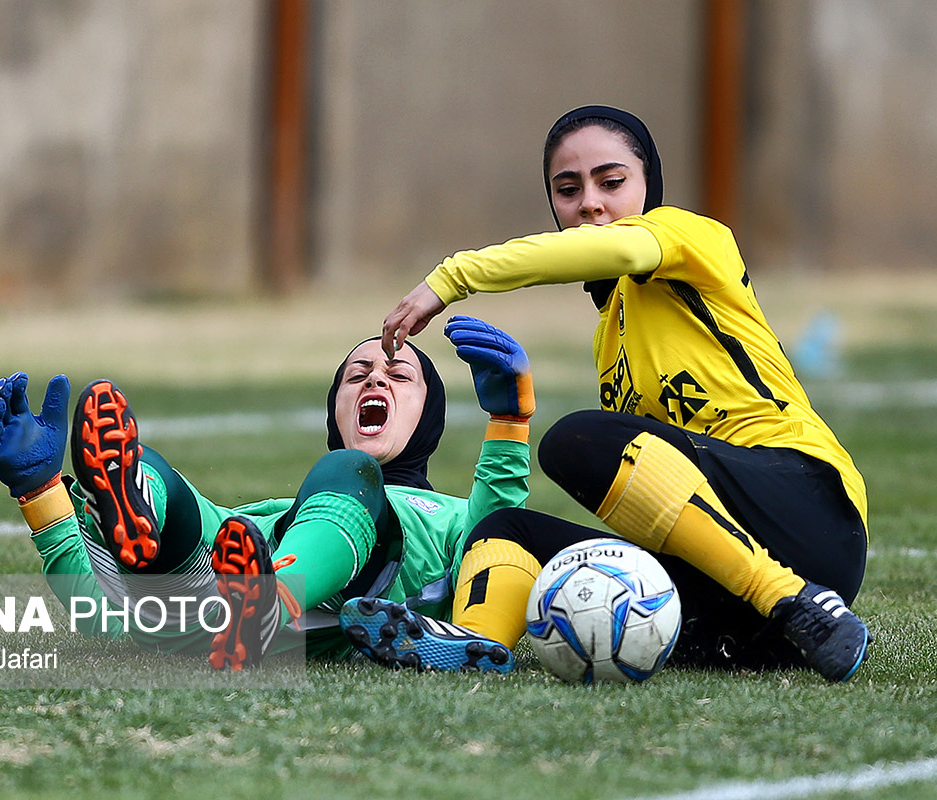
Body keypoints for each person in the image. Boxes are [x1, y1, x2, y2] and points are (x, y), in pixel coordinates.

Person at [368, 105, 871, 682]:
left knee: (577, 440)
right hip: (728, 605)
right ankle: (476, 644)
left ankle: (798, 602)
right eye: (567, 188)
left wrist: (452, 277)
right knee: (506, 529)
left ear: (649, 187)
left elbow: (624, 250)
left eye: (611, 182)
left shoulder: (692, 237)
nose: (588, 203)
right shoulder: (609, 334)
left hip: (808, 516)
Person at [0, 316, 536, 672]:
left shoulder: (450, 517)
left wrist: (508, 421)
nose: (374, 381)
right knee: (178, 499)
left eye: (398, 375)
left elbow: (499, 542)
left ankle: (265, 599)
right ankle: (144, 500)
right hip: (218, 603)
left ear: (430, 415)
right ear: (335, 408)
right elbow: (105, 616)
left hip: (276, 609)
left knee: (349, 473)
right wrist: (41, 493)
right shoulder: (259, 521)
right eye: (357, 374)